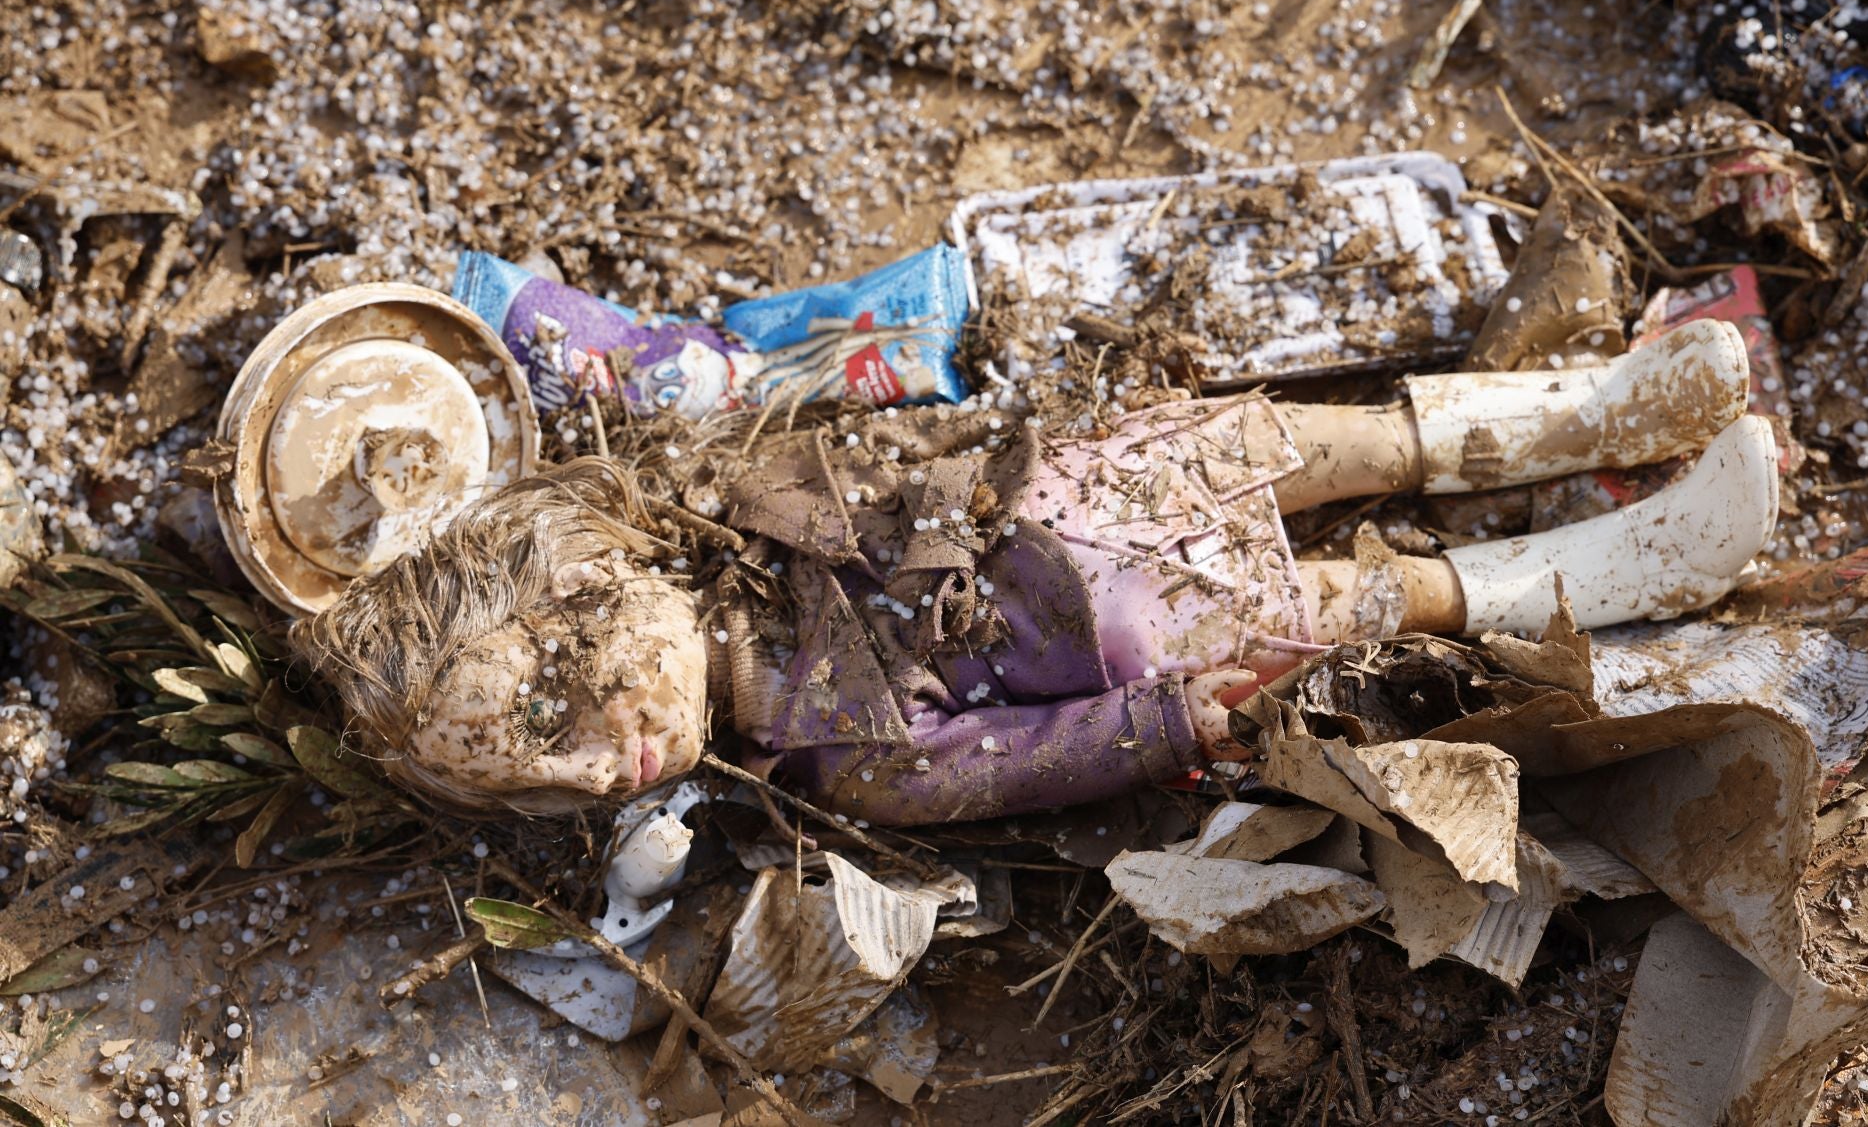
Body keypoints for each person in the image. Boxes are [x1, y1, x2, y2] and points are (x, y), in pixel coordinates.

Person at [293, 319, 1778, 826]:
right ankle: (1621, 560)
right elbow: (1011, 762)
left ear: (587, 578)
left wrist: (1016, 448)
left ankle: (1588, 410)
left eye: (556, 693)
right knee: (1358, 599)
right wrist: (1176, 724)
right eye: (548, 789)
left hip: (1104, 478)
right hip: (1131, 633)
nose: (594, 768)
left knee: (1313, 443)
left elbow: (920, 443)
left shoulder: (745, 498)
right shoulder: (840, 754)